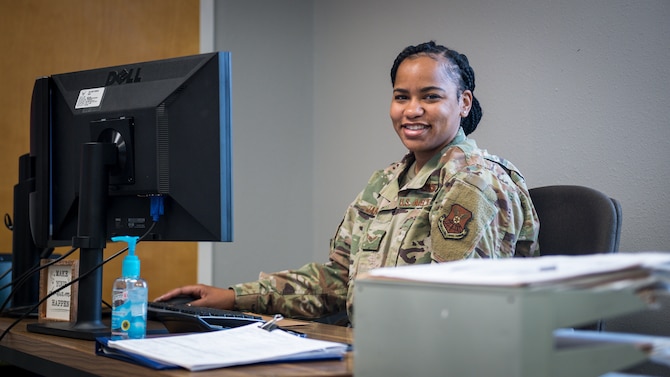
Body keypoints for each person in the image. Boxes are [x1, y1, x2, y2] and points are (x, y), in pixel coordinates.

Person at [156, 41, 540, 325]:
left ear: (464, 103)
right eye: (401, 96)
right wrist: (233, 297)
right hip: (374, 352)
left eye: (431, 96)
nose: (412, 110)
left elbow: (459, 309)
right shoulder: (386, 182)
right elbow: (339, 280)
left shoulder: (474, 182)